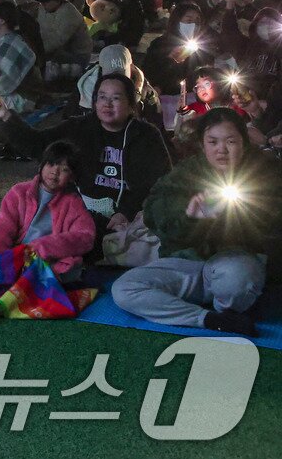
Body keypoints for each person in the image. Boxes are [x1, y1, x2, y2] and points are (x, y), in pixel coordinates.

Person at [114, 109, 282, 336]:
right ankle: (209, 319)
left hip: (234, 262)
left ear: (244, 142)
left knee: (238, 281)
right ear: (203, 144)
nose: (221, 149)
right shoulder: (186, 173)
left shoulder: (264, 172)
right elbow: (155, 212)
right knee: (124, 289)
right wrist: (190, 216)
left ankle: (226, 307)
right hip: (186, 261)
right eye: (213, 142)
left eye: (230, 141)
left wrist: (238, 216)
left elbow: (271, 224)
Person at [0, 72, 172, 248]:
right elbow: (38, 144)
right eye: (102, 97)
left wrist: (126, 212)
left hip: (129, 217)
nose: (107, 104)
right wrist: (4, 115)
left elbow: (159, 182)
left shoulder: (146, 135)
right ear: (95, 101)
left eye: (116, 98)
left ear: (131, 105)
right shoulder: (78, 128)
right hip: (80, 212)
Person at [0, 141, 96, 327]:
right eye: (51, 164)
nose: (55, 172)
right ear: (41, 165)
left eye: (64, 170)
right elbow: (0, 232)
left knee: (28, 276)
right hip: (16, 256)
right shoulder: (19, 193)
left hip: (45, 262)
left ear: (71, 177)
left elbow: (86, 236)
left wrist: (45, 247)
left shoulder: (72, 202)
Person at [31, 0, 91, 81]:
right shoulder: (44, 9)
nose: (42, 4)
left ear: (57, 0)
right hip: (55, 53)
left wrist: (34, 52)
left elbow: (56, 41)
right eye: (41, 1)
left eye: (45, 1)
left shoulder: (69, 14)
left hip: (76, 57)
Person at [0, 1, 38, 113]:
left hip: (22, 98)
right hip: (14, 94)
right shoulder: (7, 41)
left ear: (2, 20)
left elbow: (4, 82)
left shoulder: (10, 43)